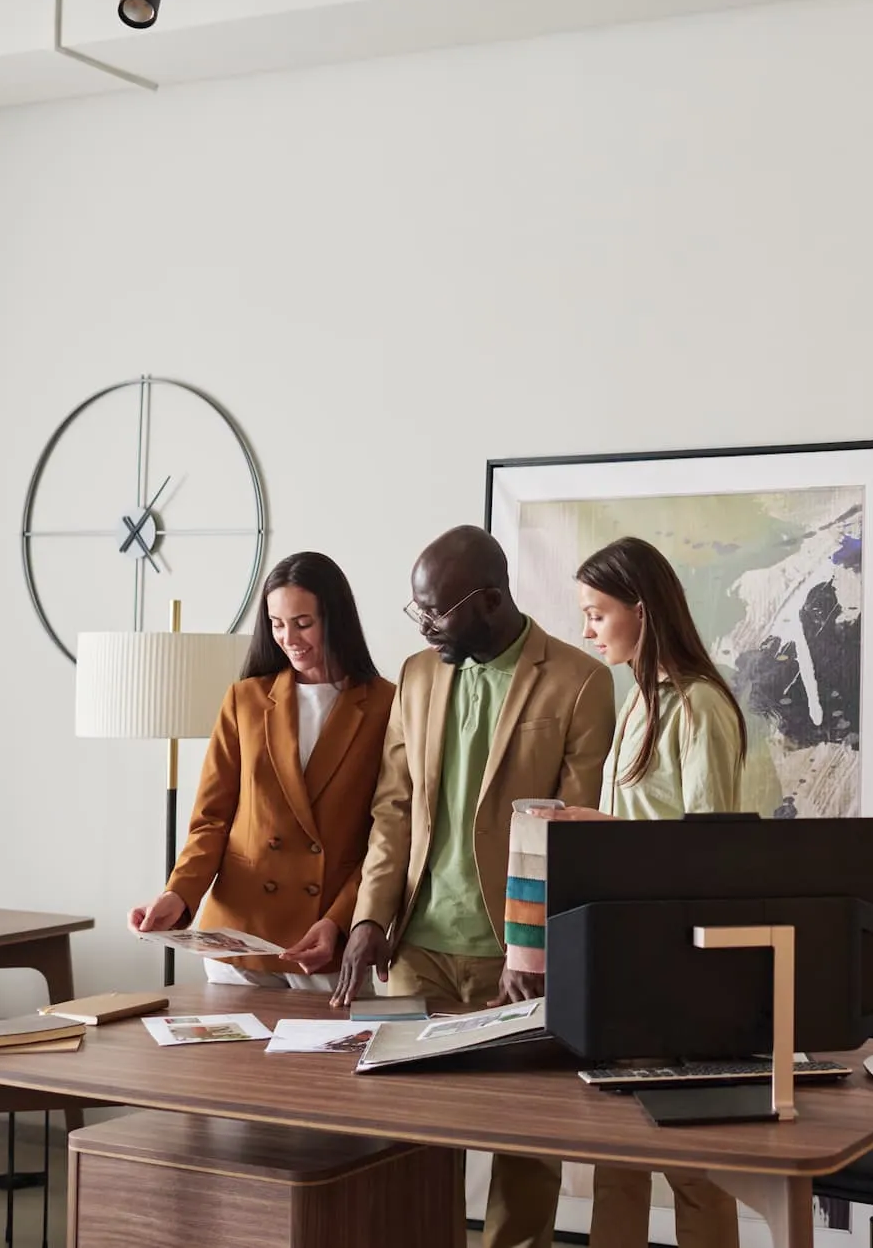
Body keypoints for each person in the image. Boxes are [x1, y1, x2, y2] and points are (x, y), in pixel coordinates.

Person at [333, 525, 615, 1248]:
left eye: (438, 611)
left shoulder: (580, 680)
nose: (425, 625)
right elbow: (393, 806)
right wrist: (369, 915)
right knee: (407, 1140)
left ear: (491, 599)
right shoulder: (419, 675)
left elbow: (573, 839)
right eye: (418, 611)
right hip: (416, 949)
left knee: (526, 1143)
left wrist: (539, 954)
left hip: (513, 956)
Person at [550, 536, 750, 1248]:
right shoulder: (636, 702)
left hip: (678, 967)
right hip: (624, 960)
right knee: (617, 1154)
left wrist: (598, 826)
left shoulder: (698, 708)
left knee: (692, 1160)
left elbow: (712, 852)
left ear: (640, 609)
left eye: (597, 613)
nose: (587, 629)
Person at [128, 552, 394, 993]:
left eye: (303, 622)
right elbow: (211, 821)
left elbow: (387, 837)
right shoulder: (245, 700)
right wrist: (178, 894)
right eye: (277, 623)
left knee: (320, 1062)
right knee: (224, 1064)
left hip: (324, 942)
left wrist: (340, 919)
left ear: (337, 618)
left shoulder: (387, 705)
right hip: (238, 938)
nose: (290, 638)